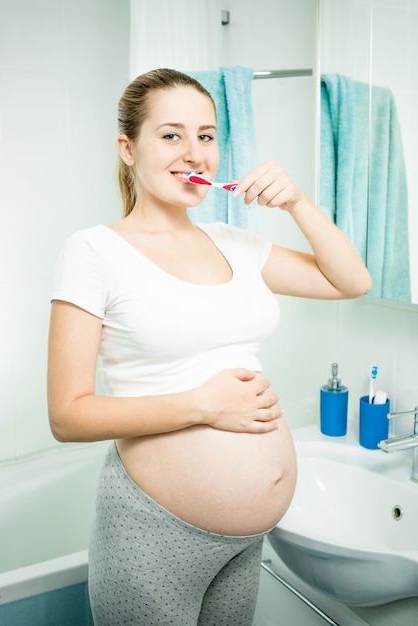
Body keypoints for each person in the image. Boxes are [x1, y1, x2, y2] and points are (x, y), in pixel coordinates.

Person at [47, 68, 371, 625]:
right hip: (155, 531)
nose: (194, 152)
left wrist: (297, 203)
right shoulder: (94, 252)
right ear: (128, 149)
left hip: (245, 539)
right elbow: (67, 415)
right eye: (171, 135)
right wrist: (205, 405)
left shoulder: (235, 242)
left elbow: (351, 281)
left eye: (207, 135)